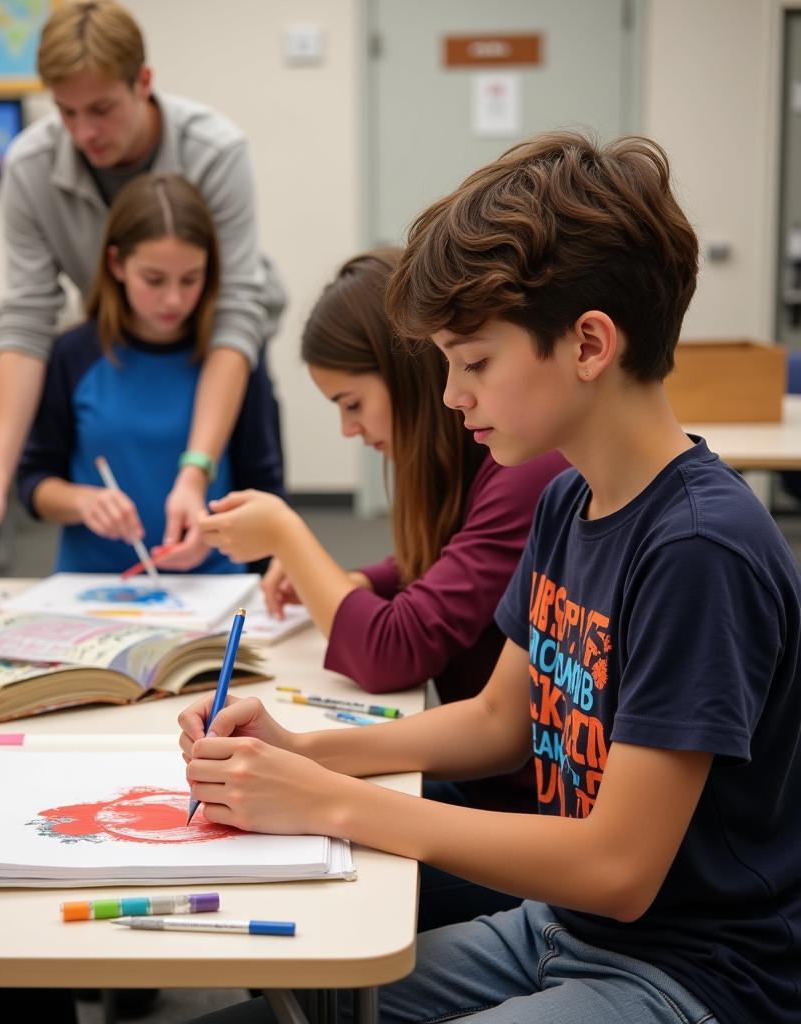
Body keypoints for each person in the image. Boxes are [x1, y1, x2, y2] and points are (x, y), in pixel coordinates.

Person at [180, 131, 801, 1024]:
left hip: (692, 973)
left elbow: (619, 871)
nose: (450, 396)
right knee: (288, 1009)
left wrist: (333, 803)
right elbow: (502, 721)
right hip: (562, 930)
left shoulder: (699, 550)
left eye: (474, 363)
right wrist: (300, 752)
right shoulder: (567, 500)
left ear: (589, 342)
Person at [199, 248, 564, 925]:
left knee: (304, 873)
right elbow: (431, 568)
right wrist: (352, 578)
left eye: (352, 404)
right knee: (282, 833)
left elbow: (394, 650)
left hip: (528, 813)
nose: (348, 429)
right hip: (506, 789)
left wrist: (287, 534)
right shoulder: (485, 469)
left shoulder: (531, 475)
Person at [0, 0, 285, 576]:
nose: (84, 132)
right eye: (66, 112)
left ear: (143, 82)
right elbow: (27, 320)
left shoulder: (216, 150)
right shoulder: (30, 164)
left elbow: (235, 314)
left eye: (101, 109)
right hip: (114, 344)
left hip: (217, 347)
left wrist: (195, 469)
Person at [17, 172, 283, 576]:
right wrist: (82, 502)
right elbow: (34, 483)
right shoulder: (74, 355)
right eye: (154, 280)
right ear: (117, 264)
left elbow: (264, 490)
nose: (173, 299)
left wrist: (228, 544)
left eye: (191, 279)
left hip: (212, 586)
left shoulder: (234, 360)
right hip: (93, 587)